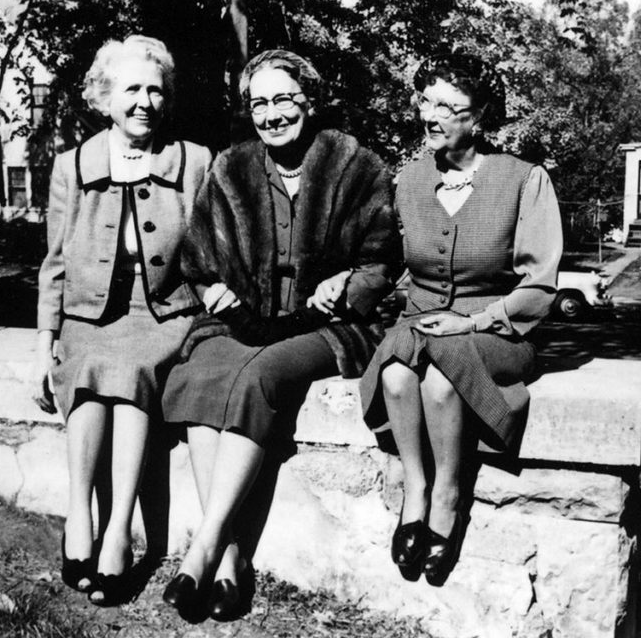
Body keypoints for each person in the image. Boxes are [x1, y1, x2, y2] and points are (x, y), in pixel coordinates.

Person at [160, 49, 402, 619]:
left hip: (332, 323)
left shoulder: (358, 166)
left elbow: (384, 263)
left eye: (284, 99)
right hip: (242, 316)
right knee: (199, 373)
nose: (271, 114)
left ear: (310, 101)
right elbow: (199, 259)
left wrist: (346, 280)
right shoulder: (231, 167)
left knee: (261, 374)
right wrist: (216, 290)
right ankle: (228, 562)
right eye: (259, 103)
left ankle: (203, 545)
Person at [359, 52, 563, 586]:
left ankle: (450, 493)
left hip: (495, 330)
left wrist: (474, 323)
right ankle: (417, 492)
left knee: (442, 379)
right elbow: (394, 268)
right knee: (398, 373)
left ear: (479, 117)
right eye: (426, 100)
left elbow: (539, 284)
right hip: (422, 323)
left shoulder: (524, 180)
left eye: (449, 106)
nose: (432, 114)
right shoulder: (407, 181)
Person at [32, 35, 211, 606]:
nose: (144, 102)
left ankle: (118, 532)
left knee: (132, 368)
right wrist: (44, 346)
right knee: (84, 364)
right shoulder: (71, 166)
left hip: (163, 313)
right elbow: (55, 263)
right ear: (104, 96)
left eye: (156, 90)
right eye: (131, 88)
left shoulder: (194, 161)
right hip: (89, 312)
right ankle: (79, 513)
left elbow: (211, 251)